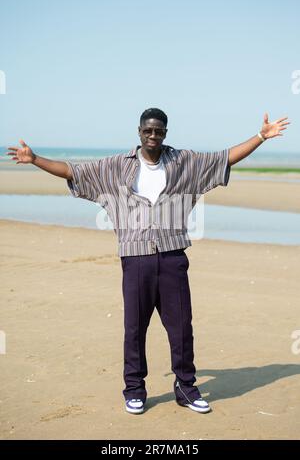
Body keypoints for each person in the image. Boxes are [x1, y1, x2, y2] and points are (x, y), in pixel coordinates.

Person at [6, 108, 290, 415]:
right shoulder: (115, 167)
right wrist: (35, 160)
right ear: (139, 131)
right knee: (134, 328)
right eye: (148, 131)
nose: (153, 136)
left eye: (159, 131)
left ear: (166, 132)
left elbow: (224, 158)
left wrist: (261, 136)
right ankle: (135, 390)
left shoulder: (184, 162)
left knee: (181, 328)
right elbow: (73, 172)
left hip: (172, 258)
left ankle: (186, 387)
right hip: (135, 258)